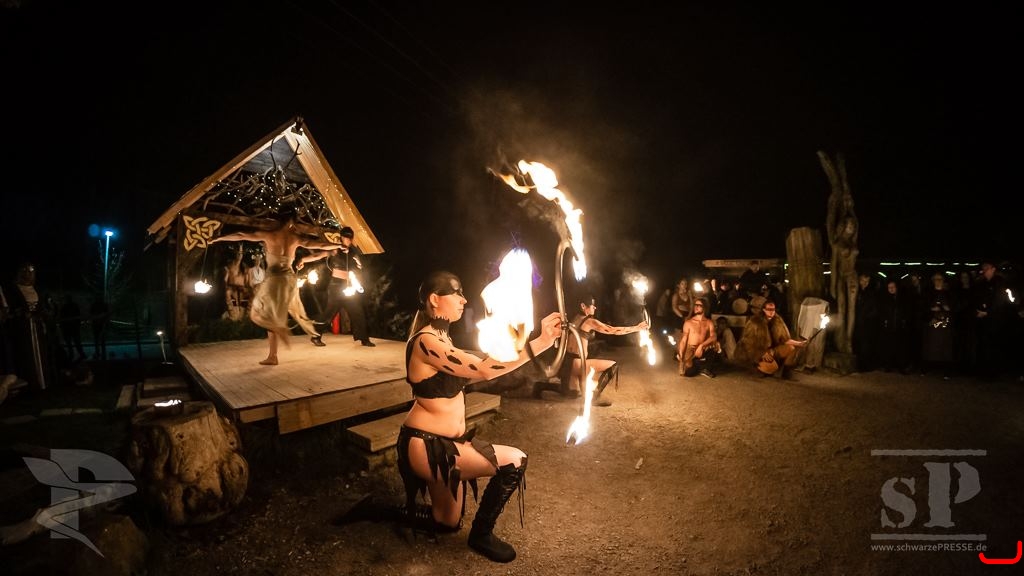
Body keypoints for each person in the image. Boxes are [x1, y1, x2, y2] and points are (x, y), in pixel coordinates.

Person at [397, 270, 562, 563]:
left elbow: (481, 365)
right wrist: (539, 343)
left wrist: (530, 341)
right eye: (457, 293)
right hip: (426, 445)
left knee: (447, 522)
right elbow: (484, 370)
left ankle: (383, 510)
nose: (464, 299)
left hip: (444, 445)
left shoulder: (442, 337)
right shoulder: (426, 342)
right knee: (514, 460)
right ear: (434, 299)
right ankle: (481, 535)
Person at [210, 215, 343, 365]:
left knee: (261, 315)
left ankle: (275, 350)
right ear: (290, 222)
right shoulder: (295, 238)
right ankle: (274, 348)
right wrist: (337, 245)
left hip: (275, 280)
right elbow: (319, 245)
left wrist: (219, 238)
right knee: (270, 315)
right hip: (289, 280)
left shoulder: (269, 235)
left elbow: (241, 235)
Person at [532, 295, 648, 406]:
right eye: (592, 305)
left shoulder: (574, 318)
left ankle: (541, 386)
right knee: (613, 365)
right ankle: (594, 398)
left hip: (567, 363)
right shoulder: (589, 321)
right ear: (583, 306)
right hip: (577, 363)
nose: (595, 307)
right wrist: (636, 328)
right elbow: (612, 330)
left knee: (572, 393)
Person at [296, 226, 375, 347]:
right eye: (346, 237)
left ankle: (364, 339)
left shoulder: (353, 252)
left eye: (350, 238)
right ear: (341, 238)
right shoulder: (335, 250)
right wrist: (303, 260)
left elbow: (359, 266)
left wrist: (359, 263)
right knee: (328, 314)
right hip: (335, 286)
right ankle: (315, 336)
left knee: (357, 311)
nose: (348, 240)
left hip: (348, 286)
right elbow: (318, 255)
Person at [2, 263, 58, 388]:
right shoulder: (14, 290)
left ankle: (42, 382)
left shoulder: (37, 289)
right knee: (26, 355)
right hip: (23, 328)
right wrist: (21, 314)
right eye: (26, 271)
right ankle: (29, 383)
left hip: (37, 326)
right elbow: (9, 310)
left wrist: (43, 314)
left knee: (41, 353)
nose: (28, 274)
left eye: (31, 271)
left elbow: (42, 307)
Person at [735, 298, 807, 380]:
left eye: (773, 309)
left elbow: (784, 339)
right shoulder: (755, 322)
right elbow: (747, 343)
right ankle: (758, 368)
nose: (771, 312)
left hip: (772, 351)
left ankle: (786, 373)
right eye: (769, 309)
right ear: (763, 310)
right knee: (769, 368)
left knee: (791, 348)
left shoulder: (777, 321)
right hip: (758, 352)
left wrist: (799, 343)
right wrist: (761, 353)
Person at [678, 298, 718, 378]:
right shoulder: (689, 322)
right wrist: (681, 355)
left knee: (715, 345)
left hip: (702, 348)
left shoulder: (709, 322)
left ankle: (705, 368)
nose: (696, 307)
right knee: (688, 373)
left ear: (704, 307)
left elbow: (714, 336)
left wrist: (701, 346)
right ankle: (698, 365)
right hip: (691, 349)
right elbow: (683, 340)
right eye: (695, 305)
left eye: (699, 305)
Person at [58, 294, 87, 363]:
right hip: (72, 328)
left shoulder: (65, 307)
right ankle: (80, 354)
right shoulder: (72, 306)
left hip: (70, 328)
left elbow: (62, 318)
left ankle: (74, 355)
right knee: (75, 342)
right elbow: (78, 316)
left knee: (71, 343)